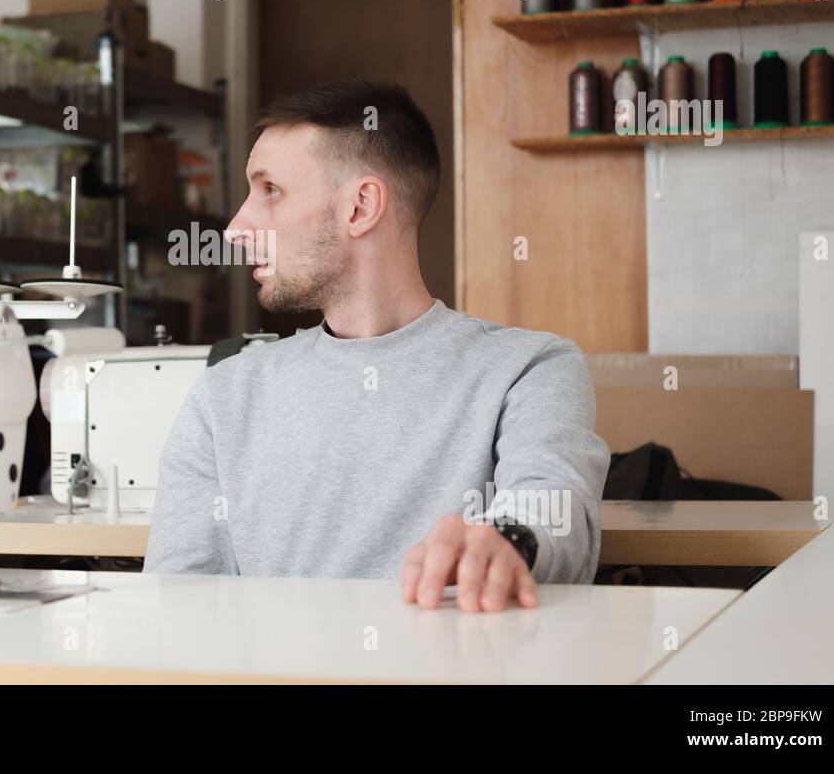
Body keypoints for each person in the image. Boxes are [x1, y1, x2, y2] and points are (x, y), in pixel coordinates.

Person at [143, 81, 609, 612]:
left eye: (269, 190)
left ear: (361, 207)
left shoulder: (528, 368)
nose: (235, 227)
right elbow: (180, 604)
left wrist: (509, 543)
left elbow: (557, 516)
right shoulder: (224, 395)